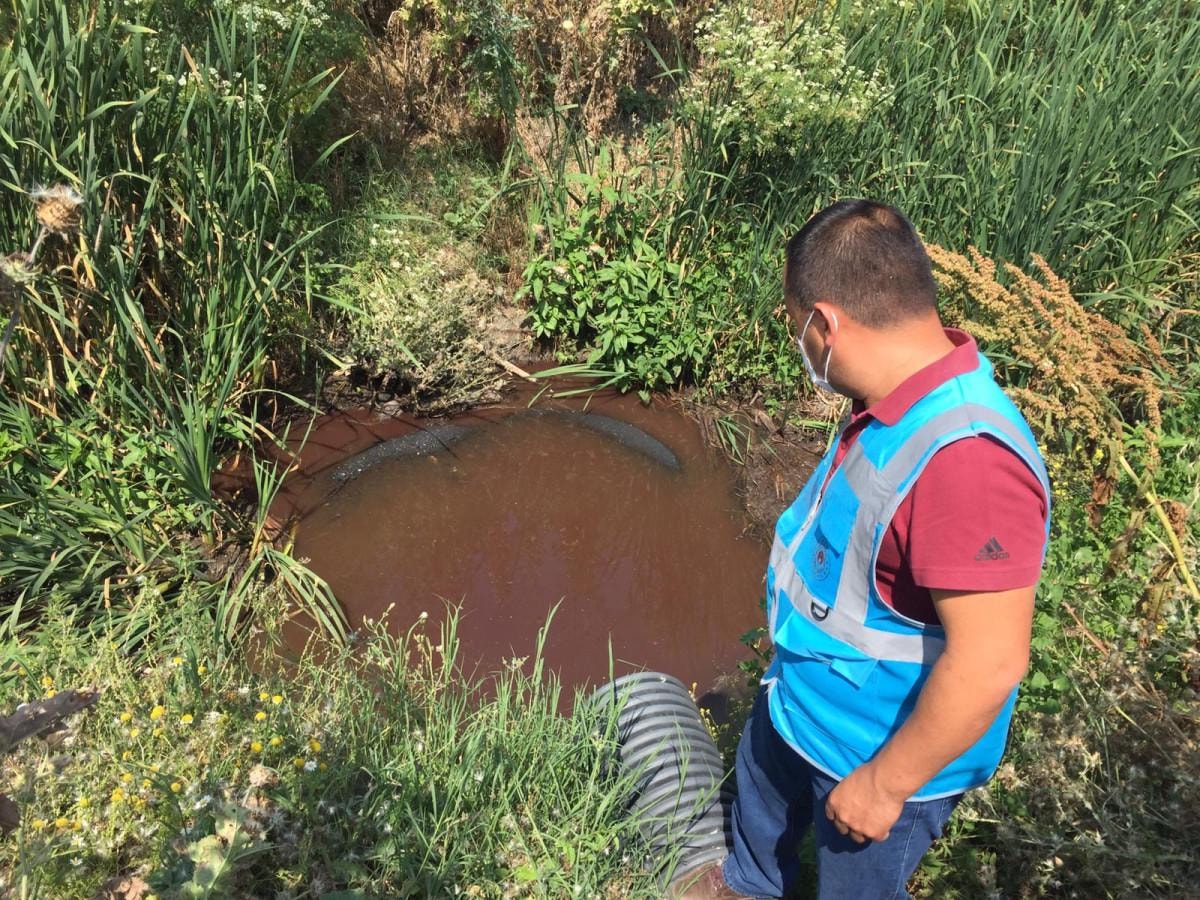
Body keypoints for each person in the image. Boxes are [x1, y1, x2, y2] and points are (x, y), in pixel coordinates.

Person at [673, 199, 1051, 899]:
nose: (801, 347)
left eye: (797, 329)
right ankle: (747, 885)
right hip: (799, 706)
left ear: (826, 324)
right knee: (757, 826)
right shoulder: (888, 401)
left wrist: (884, 786)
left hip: (870, 753)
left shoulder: (970, 464)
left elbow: (991, 661)